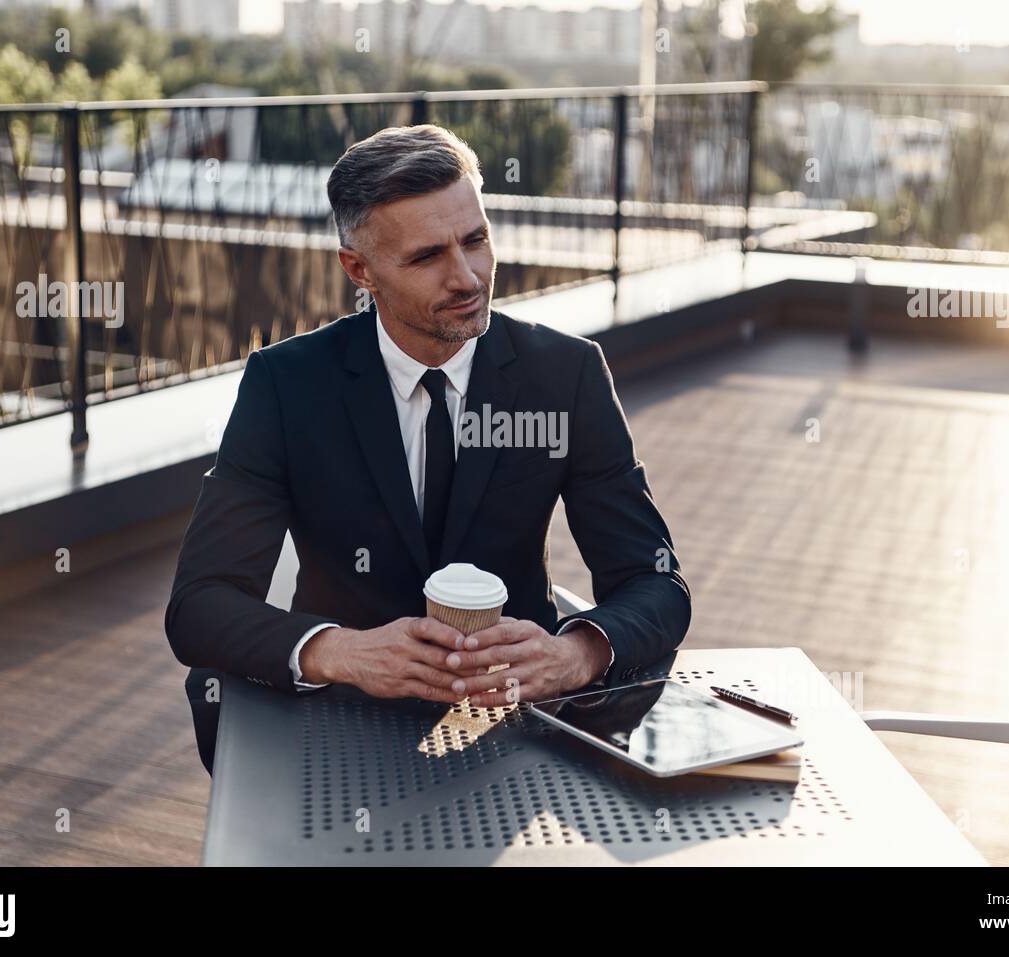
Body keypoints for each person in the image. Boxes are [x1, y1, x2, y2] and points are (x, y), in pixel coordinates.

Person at [164, 124, 691, 774]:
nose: (467, 277)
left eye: (476, 239)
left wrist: (575, 653)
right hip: (340, 713)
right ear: (359, 269)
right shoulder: (287, 383)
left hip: (516, 722)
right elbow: (200, 603)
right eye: (427, 257)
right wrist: (340, 651)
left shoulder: (567, 374)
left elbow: (655, 580)